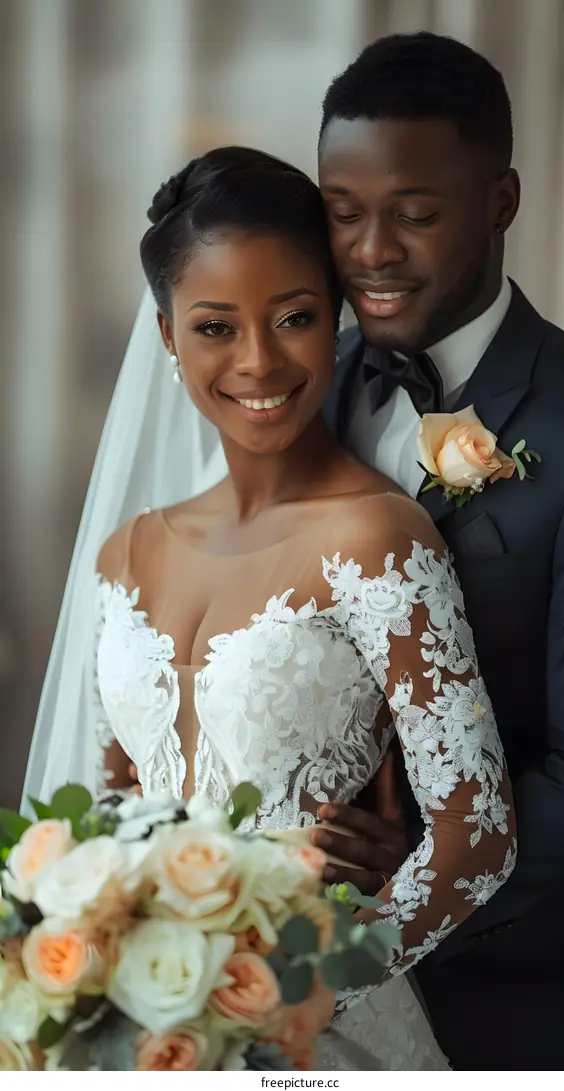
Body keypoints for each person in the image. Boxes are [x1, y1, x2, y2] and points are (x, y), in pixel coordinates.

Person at [22, 146, 515, 1071]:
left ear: (334, 315)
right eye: (215, 326)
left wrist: (304, 989)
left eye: (293, 316)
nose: (258, 361)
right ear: (168, 337)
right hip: (138, 1027)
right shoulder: (128, 553)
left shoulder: (378, 537)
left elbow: (477, 835)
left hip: (314, 1031)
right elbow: (108, 804)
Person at [312, 32, 564, 1070]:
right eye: (343, 214)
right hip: (282, 972)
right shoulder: (301, 385)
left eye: (415, 214)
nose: (371, 251)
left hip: (510, 994)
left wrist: (434, 875)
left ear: (503, 199)